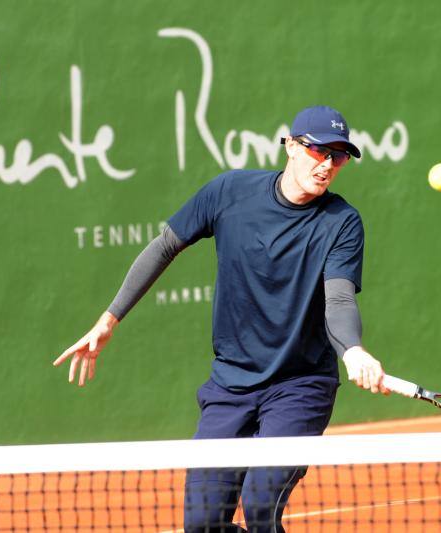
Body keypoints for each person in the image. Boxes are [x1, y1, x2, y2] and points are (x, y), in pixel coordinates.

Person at [54, 105, 389, 532]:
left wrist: (353, 349)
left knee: (260, 502)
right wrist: (109, 319)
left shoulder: (342, 222)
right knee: (202, 525)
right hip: (230, 384)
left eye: (338, 157)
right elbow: (164, 246)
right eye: (318, 151)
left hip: (300, 386)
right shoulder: (229, 192)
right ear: (289, 145)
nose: (326, 165)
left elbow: (338, 299)